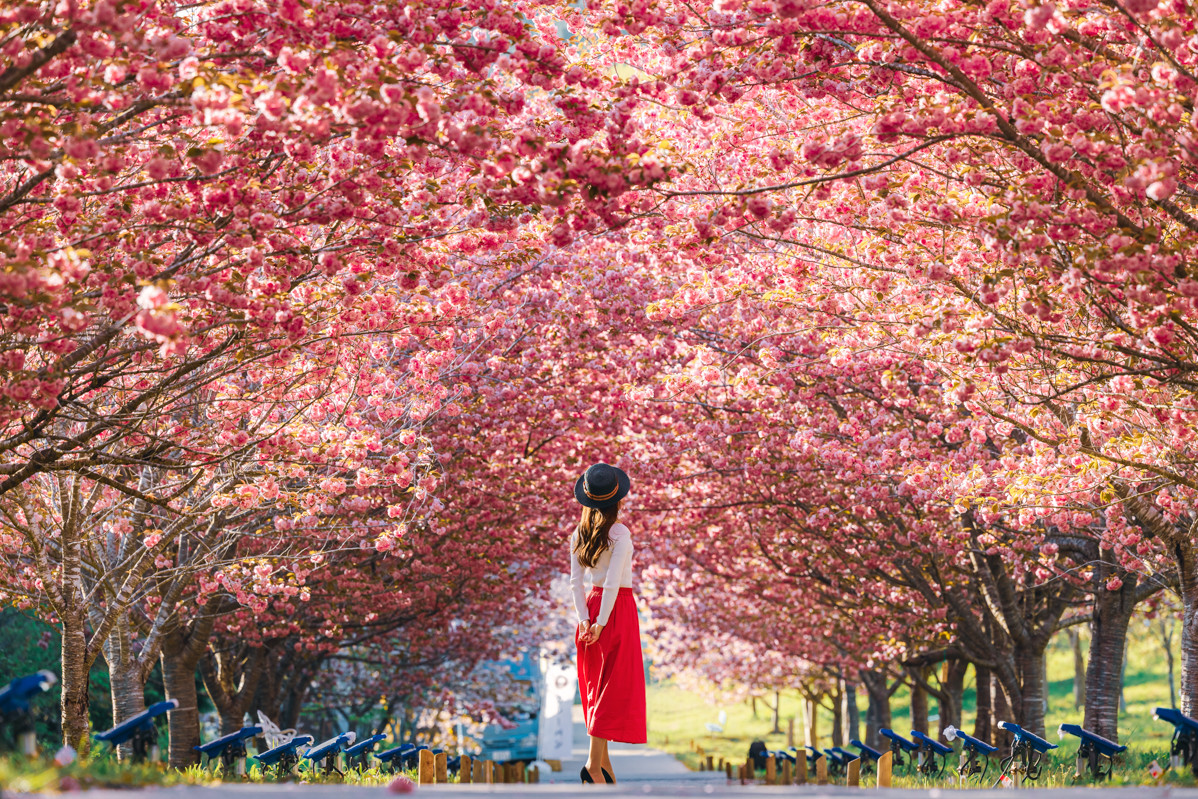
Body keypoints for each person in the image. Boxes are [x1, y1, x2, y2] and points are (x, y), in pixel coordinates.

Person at [569, 462, 647, 785]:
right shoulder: (621, 535)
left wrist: (585, 620)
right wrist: (601, 623)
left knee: (595, 687)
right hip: (616, 611)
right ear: (618, 500)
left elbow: (575, 583)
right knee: (612, 689)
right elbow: (614, 583)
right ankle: (591, 764)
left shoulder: (578, 533)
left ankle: (604, 770)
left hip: (589, 609)